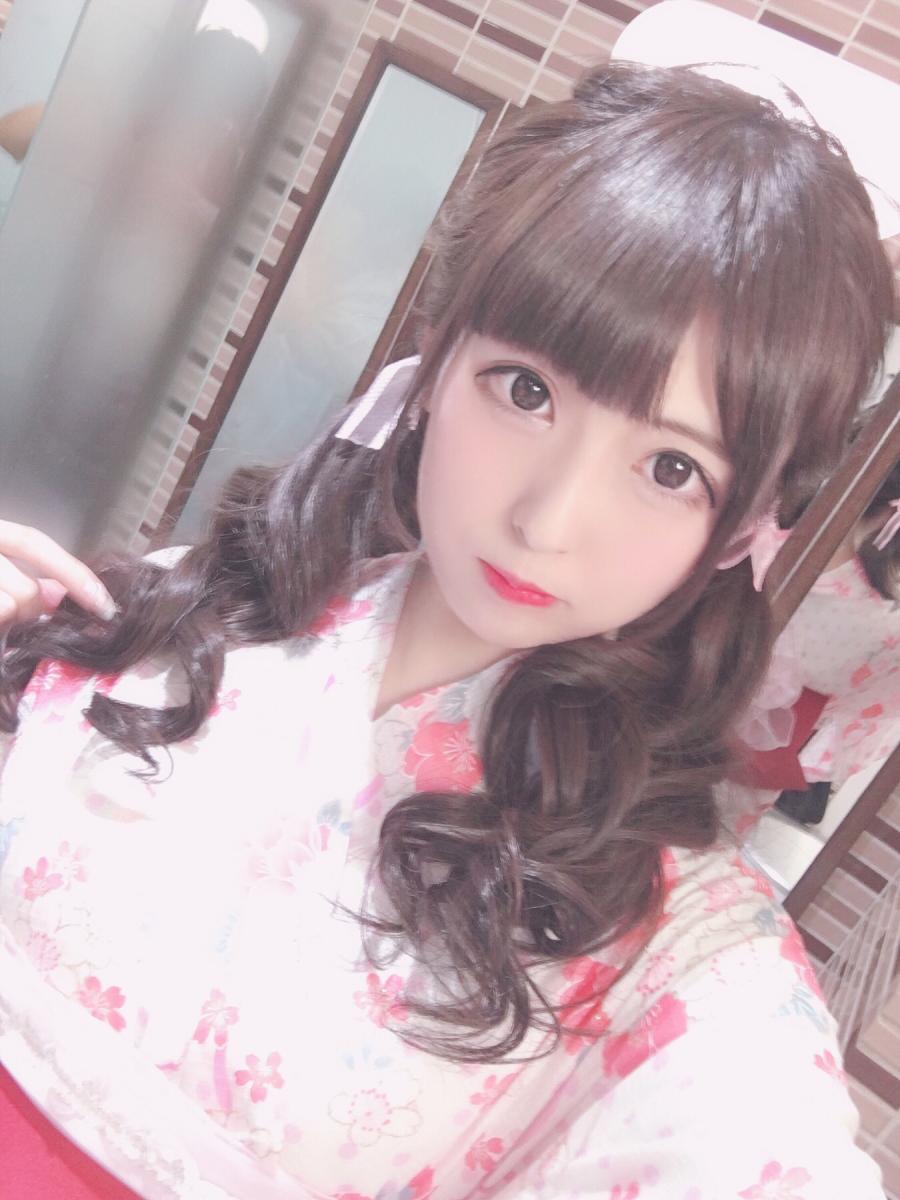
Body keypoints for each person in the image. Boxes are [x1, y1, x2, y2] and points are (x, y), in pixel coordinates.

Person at [0, 63, 895, 1199]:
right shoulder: (199, 607)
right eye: (526, 391)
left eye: (671, 468)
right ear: (435, 366)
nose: (547, 520)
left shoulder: (670, 939)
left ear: (741, 528)